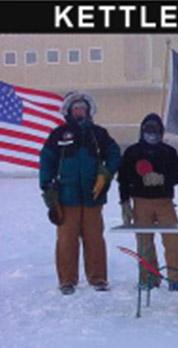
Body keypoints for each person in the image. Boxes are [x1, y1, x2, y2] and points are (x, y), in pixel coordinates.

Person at [39, 91, 121, 295]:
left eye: (83, 108)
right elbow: (47, 160)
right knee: (67, 240)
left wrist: (106, 172)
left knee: (94, 238)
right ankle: (67, 280)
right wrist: (47, 186)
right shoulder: (58, 134)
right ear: (69, 111)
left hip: (93, 196)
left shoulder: (99, 134)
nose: (79, 111)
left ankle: (98, 278)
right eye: (76, 108)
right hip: (66, 197)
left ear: (88, 111)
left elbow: (114, 154)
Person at [117, 113, 178, 291]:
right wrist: (124, 203)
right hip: (141, 202)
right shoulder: (132, 152)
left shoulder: (169, 152)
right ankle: (148, 278)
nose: (152, 133)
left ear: (161, 132)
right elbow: (123, 179)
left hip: (165, 201)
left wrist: (163, 179)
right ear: (142, 131)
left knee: (174, 240)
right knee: (144, 242)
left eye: (156, 130)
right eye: (149, 130)